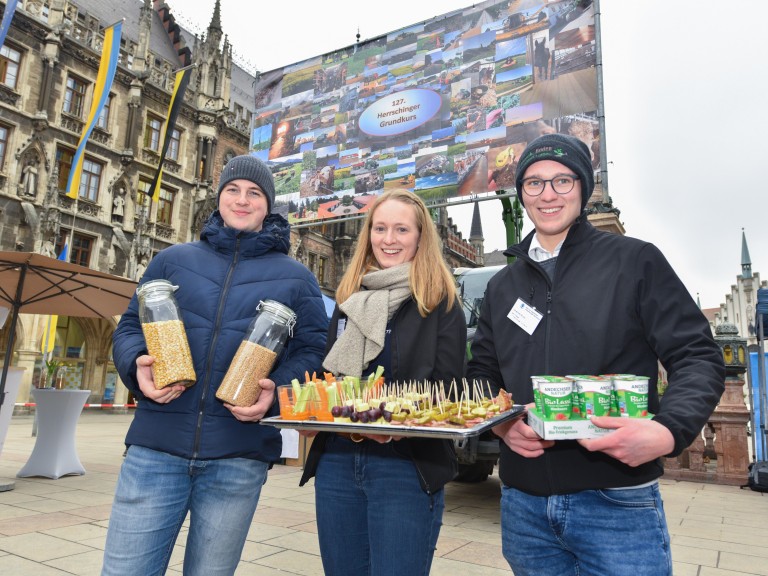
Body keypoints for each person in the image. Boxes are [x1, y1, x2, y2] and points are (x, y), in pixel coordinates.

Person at [467, 133, 725, 576]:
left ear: (583, 188)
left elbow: (697, 355)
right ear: (522, 195)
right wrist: (503, 423)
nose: (548, 194)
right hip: (523, 503)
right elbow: (481, 375)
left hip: (616, 500)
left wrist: (668, 431)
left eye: (562, 181)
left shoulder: (635, 261)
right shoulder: (501, 286)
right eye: (534, 183)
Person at [103, 154, 328, 576]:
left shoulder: (297, 279)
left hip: (237, 457)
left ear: (269, 204)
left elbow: (315, 352)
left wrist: (276, 393)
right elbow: (130, 327)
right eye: (233, 190)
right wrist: (137, 366)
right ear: (219, 197)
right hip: (156, 448)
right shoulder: (172, 260)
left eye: (254, 193)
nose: (242, 200)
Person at [299, 189, 466, 576]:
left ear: (421, 237)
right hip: (338, 463)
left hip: (405, 467)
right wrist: (314, 408)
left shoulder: (439, 302)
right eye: (380, 228)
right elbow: (329, 379)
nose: (388, 239)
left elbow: (447, 392)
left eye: (401, 229)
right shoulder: (349, 299)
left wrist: (391, 424)